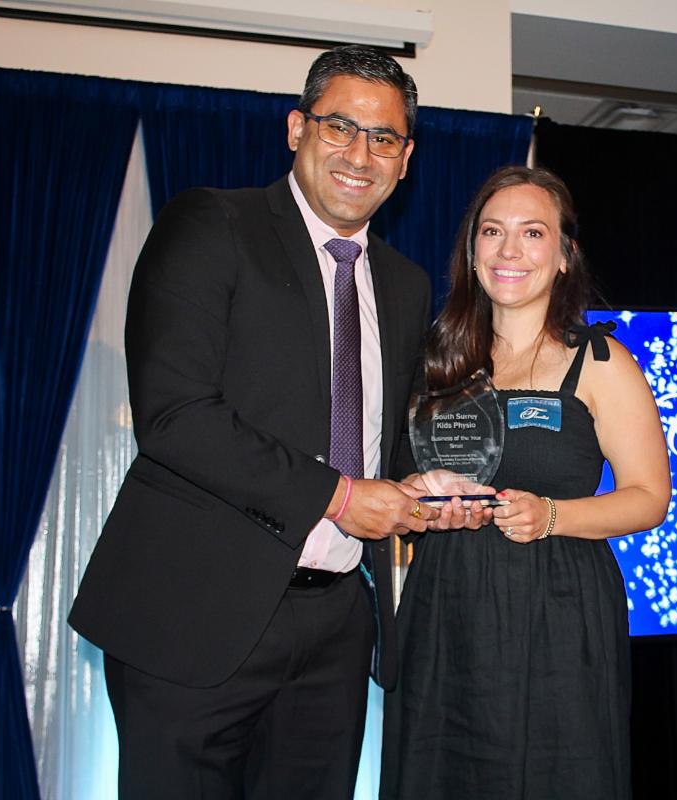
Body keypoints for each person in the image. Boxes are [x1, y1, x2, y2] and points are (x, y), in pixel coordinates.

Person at [68, 45, 445, 800]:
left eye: (384, 138)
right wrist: (340, 496)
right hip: (193, 616)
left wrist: (425, 487)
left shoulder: (405, 285)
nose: (360, 155)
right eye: (340, 126)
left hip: (338, 627)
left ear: (405, 161)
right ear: (297, 128)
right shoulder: (214, 225)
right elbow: (175, 416)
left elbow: (379, 442)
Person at [381, 166, 672, 799]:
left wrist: (552, 516)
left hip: (557, 609)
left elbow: (650, 498)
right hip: (444, 608)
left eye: (532, 232)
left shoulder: (600, 362)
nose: (509, 250)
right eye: (492, 232)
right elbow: (397, 483)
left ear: (565, 256)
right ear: (472, 252)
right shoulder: (432, 362)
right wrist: (420, 500)